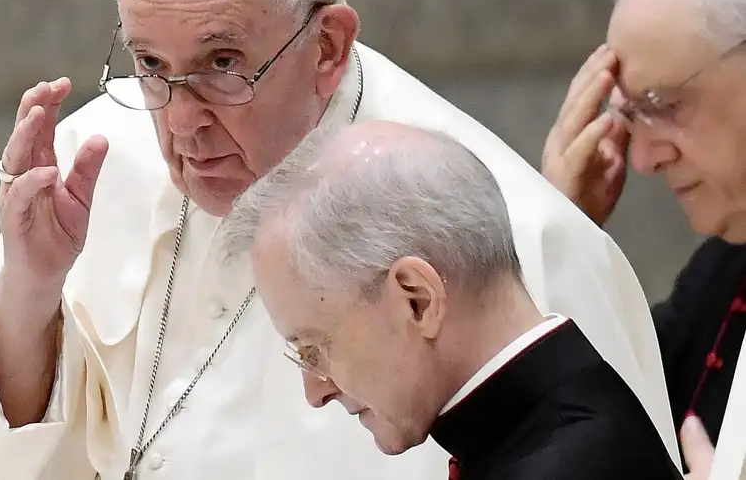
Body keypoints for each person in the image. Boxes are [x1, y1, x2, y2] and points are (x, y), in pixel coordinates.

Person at [0, 0, 680, 480]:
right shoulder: (96, 160)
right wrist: (32, 284)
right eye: (150, 64)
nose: (181, 121)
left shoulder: (508, 229)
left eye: (223, 63)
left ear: (327, 48)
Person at [220, 120, 683, 479]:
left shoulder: (570, 465)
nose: (315, 391)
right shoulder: (557, 428)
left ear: (417, 300)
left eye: (314, 349)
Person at [540, 0, 746, 473]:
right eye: (630, 115)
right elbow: (601, 425)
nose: (646, 159)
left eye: (665, 105)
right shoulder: (721, 275)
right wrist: (564, 233)